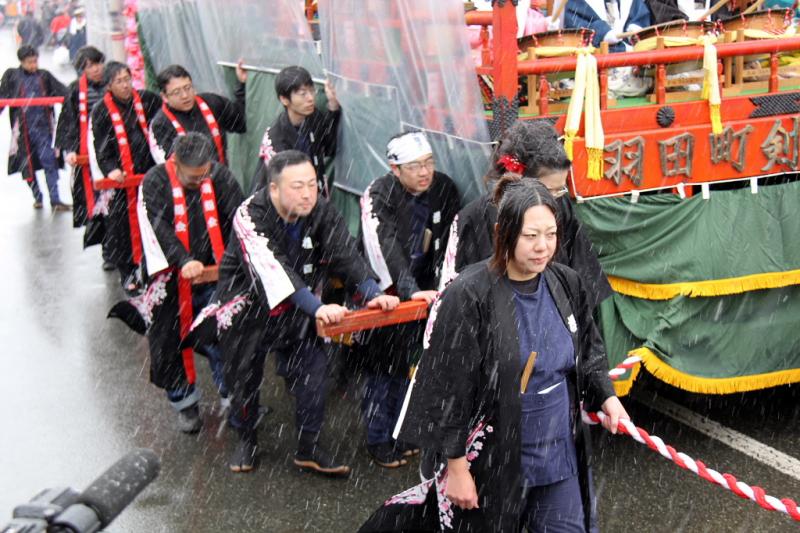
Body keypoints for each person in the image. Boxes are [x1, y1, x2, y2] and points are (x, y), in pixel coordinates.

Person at [359, 179, 630, 533]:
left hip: (558, 455)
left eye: (550, 234)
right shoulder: (468, 295)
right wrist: (456, 468)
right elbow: (448, 388)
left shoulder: (566, 282)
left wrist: (607, 397)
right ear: (503, 232)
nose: (543, 247)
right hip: (495, 461)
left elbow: (589, 350)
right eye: (531, 236)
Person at [189, 150, 399, 474]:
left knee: (314, 375)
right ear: (273, 189)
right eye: (297, 186)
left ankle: (308, 447)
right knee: (245, 381)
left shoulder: (319, 209)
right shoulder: (249, 215)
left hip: (300, 310)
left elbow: (344, 251)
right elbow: (275, 270)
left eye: (312, 185)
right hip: (248, 308)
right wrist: (317, 307)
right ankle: (247, 440)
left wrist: (372, 292)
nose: (307, 194)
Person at [109, 133, 244, 433]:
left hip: (214, 272)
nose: (201, 180)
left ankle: (234, 398)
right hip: (169, 277)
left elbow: (239, 215)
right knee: (169, 344)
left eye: (205, 173)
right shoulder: (156, 181)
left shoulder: (218, 175)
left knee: (224, 334)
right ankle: (185, 404)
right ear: (176, 163)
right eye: (194, 176)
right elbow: (159, 227)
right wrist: (183, 260)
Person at [358, 131, 460, 468]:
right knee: (380, 368)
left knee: (407, 366)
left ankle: (402, 432)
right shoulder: (378, 194)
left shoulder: (443, 188)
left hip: (426, 289)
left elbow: (452, 238)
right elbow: (382, 243)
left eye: (429, 163)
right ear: (394, 168)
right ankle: (377, 438)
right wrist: (406, 286)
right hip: (385, 293)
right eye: (414, 166)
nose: (424, 172)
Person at [439, 120, 612, 311]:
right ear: (518, 176)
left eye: (559, 190)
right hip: (498, 323)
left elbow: (583, 277)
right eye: (548, 189)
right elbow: (458, 293)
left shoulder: (560, 204)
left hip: (556, 315)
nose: (553, 198)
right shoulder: (474, 217)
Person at [90, 61, 161, 293]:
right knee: (120, 227)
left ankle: (152, 270)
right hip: (121, 180)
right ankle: (128, 272)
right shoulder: (101, 110)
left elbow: (162, 121)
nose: (125, 85)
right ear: (109, 85)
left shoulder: (147, 99)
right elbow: (101, 145)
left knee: (153, 222)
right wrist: (110, 168)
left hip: (148, 172)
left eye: (128, 79)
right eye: (119, 81)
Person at [0, 45, 69, 210]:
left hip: (44, 128)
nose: (33, 65)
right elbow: (2, 97)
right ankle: (37, 197)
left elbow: (64, 92)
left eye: (35, 61)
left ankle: (55, 199)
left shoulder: (44, 76)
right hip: (22, 131)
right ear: (22, 62)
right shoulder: (11, 76)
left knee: (49, 162)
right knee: (26, 166)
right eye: (29, 62)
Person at [254, 66, 340, 195]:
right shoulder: (276, 139)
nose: (310, 98)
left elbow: (329, 147)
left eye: (312, 91)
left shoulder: (313, 117)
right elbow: (285, 191)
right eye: (303, 94)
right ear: (284, 99)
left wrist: (333, 106)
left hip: (316, 201)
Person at [149, 63, 248, 164]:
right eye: (176, 92)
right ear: (164, 97)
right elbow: (173, 165)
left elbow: (241, 122)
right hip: (189, 178)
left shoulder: (211, 103)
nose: (184, 95)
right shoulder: (161, 124)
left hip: (221, 175)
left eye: (187, 88)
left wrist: (242, 84)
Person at [55, 46, 106, 235]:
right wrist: (70, 149)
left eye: (99, 64)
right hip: (88, 148)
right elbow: (68, 121)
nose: (96, 69)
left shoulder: (112, 83)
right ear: (83, 69)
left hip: (113, 146)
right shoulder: (76, 89)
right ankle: (106, 243)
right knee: (95, 198)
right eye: (91, 66)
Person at [564, 0, 653, 97]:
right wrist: (602, 32)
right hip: (598, 54)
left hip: (628, 52)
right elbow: (575, 26)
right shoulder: (578, 2)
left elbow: (639, 15)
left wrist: (635, 28)